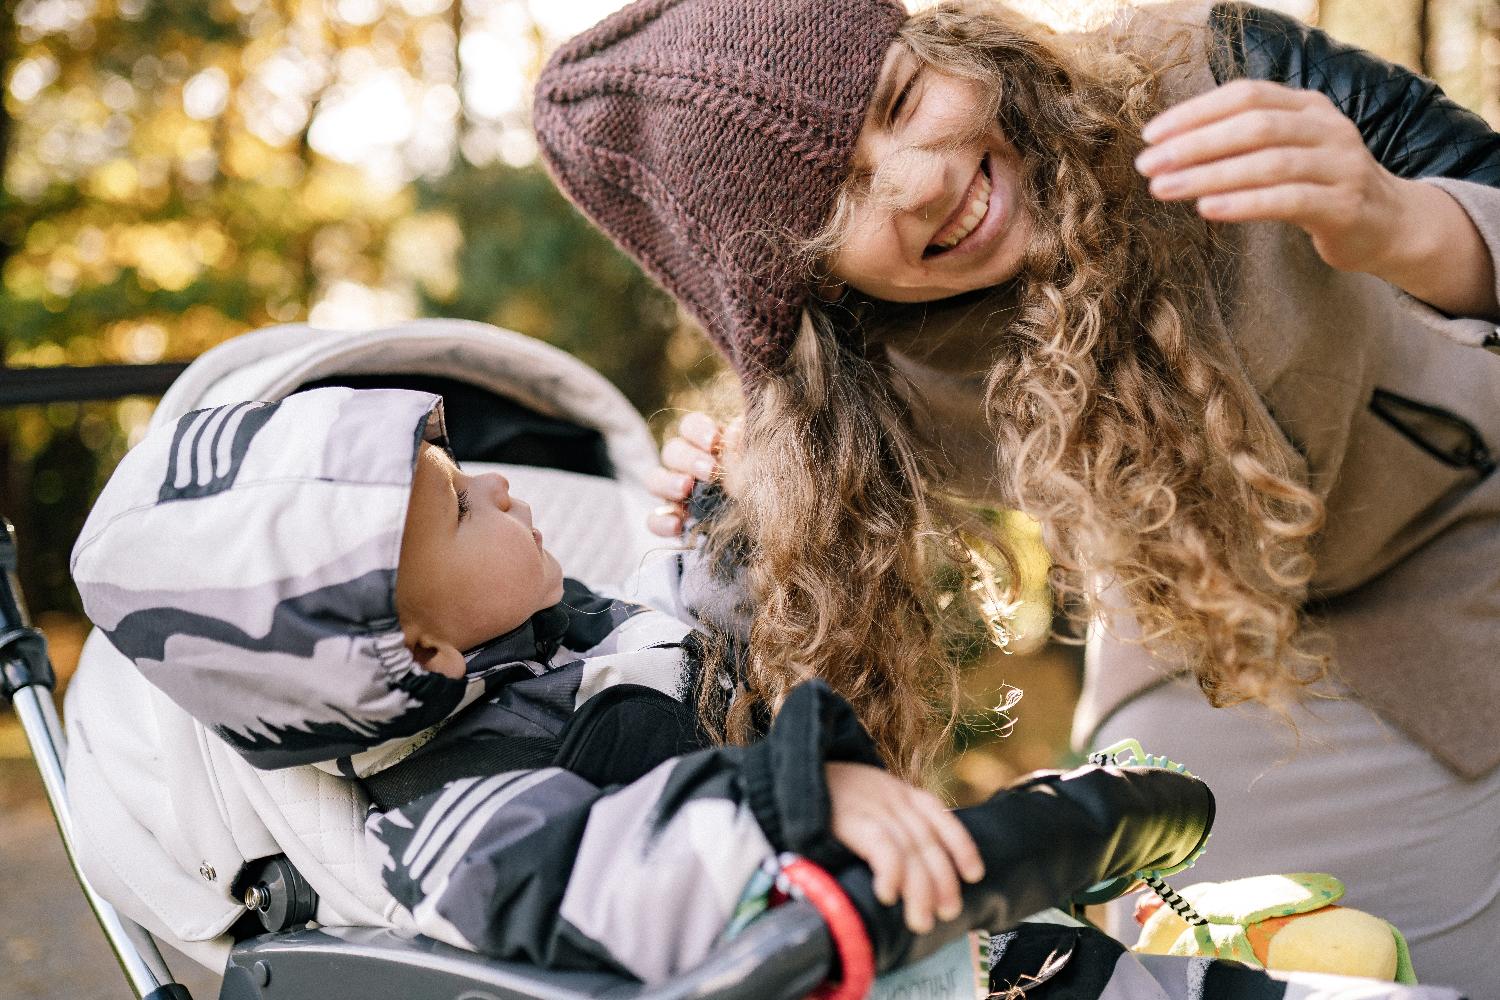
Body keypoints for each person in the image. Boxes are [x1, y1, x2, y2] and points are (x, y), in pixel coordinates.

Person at [532, 1, 1500, 994]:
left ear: (950, 40)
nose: (922, 180)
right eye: (839, 197)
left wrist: (1400, 222)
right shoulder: (859, 385)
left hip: (1467, 529)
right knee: (1222, 951)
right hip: (1216, 646)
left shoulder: (1216, 70)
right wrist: (732, 510)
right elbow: (742, 671)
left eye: (903, 97)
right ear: (806, 281)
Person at [67, 385, 1213, 986]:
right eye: (464, 504)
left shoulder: (550, 648)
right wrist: (791, 795)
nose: (505, 489)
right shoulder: (451, 816)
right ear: (419, 654)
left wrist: (727, 530)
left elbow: (680, 649)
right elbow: (615, 875)